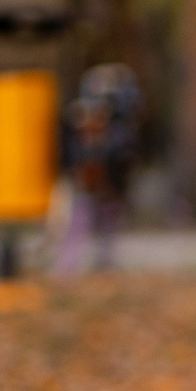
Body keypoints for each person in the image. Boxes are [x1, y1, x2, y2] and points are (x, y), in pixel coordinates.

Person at [58, 63, 141, 274]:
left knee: (108, 221)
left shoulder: (120, 131)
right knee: (80, 221)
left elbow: (123, 157)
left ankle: (104, 261)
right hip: (88, 183)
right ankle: (68, 267)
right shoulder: (84, 125)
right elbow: (73, 153)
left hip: (110, 183)